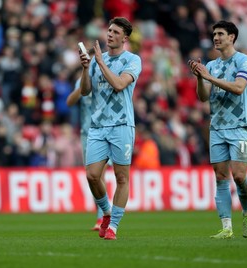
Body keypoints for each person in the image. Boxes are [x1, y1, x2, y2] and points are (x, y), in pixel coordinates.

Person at [187, 20, 247, 239]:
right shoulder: (212, 65)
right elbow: (203, 96)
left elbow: (238, 88)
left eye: (220, 34)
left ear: (232, 37)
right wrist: (200, 78)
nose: (216, 37)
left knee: (240, 176)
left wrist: (208, 77)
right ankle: (226, 227)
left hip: (239, 126)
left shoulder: (244, 61)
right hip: (217, 128)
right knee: (220, 176)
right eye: (214, 34)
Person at [78, 17, 142, 240]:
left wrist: (100, 62)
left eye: (115, 32)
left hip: (122, 125)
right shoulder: (96, 60)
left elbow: (119, 84)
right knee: (92, 175)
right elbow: (85, 91)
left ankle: (113, 225)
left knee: (121, 177)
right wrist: (86, 69)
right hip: (97, 126)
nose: (110, 34)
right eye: (109, 30)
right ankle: (106, 212)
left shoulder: (132, 60)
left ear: (124, 38)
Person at [67, 76, 109, 231]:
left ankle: (102, 217)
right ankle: (102, 214)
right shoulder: (81, 80)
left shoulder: (106, 76)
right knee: (92, 177)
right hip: (88, 134)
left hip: (105, 131)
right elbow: (69, 102)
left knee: (100, 176)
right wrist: (82, 88)